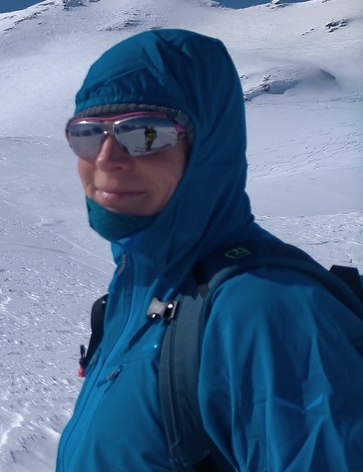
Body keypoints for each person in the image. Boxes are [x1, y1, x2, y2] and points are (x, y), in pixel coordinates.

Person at [55, 29, 363, 471]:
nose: (106, 157)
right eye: (86, 134)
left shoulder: (265, 315)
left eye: (144, 133)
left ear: (208, 146)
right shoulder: (138, 294)